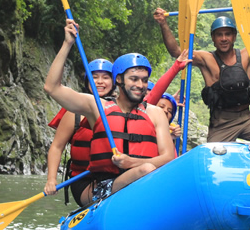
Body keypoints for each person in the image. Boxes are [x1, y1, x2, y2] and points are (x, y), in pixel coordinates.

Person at [44, 20, 175, 206]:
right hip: (97, 185)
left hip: (139, 179)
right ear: (119, 80)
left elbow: (168, 157)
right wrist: (67, 44)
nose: (140, 85)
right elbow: (52, 87)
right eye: (134, 79)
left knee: (146, 170)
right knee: (145, 169)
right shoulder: (97, 106)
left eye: (144, 80)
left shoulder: (155, 113)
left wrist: (131, 162)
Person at [153, 2, 250, 143]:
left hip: (248, 119)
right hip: (221, 124)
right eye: (219, 35)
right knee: (214, 156)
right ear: (213, 38)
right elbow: (177, 51)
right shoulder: (206, 59)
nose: (224, 39)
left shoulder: (247, 55)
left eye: (228, 34)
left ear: (234, 37)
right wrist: (163, 24)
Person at [44, 58, 114, 206]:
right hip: (83, 180)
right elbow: (57, 147)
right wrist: (51, 179)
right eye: (94, 77)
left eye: (105, 77)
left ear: (114, 82)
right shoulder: (74, 112)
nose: (100, 81)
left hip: (112, 176)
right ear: (87, 81)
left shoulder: (121, 109)